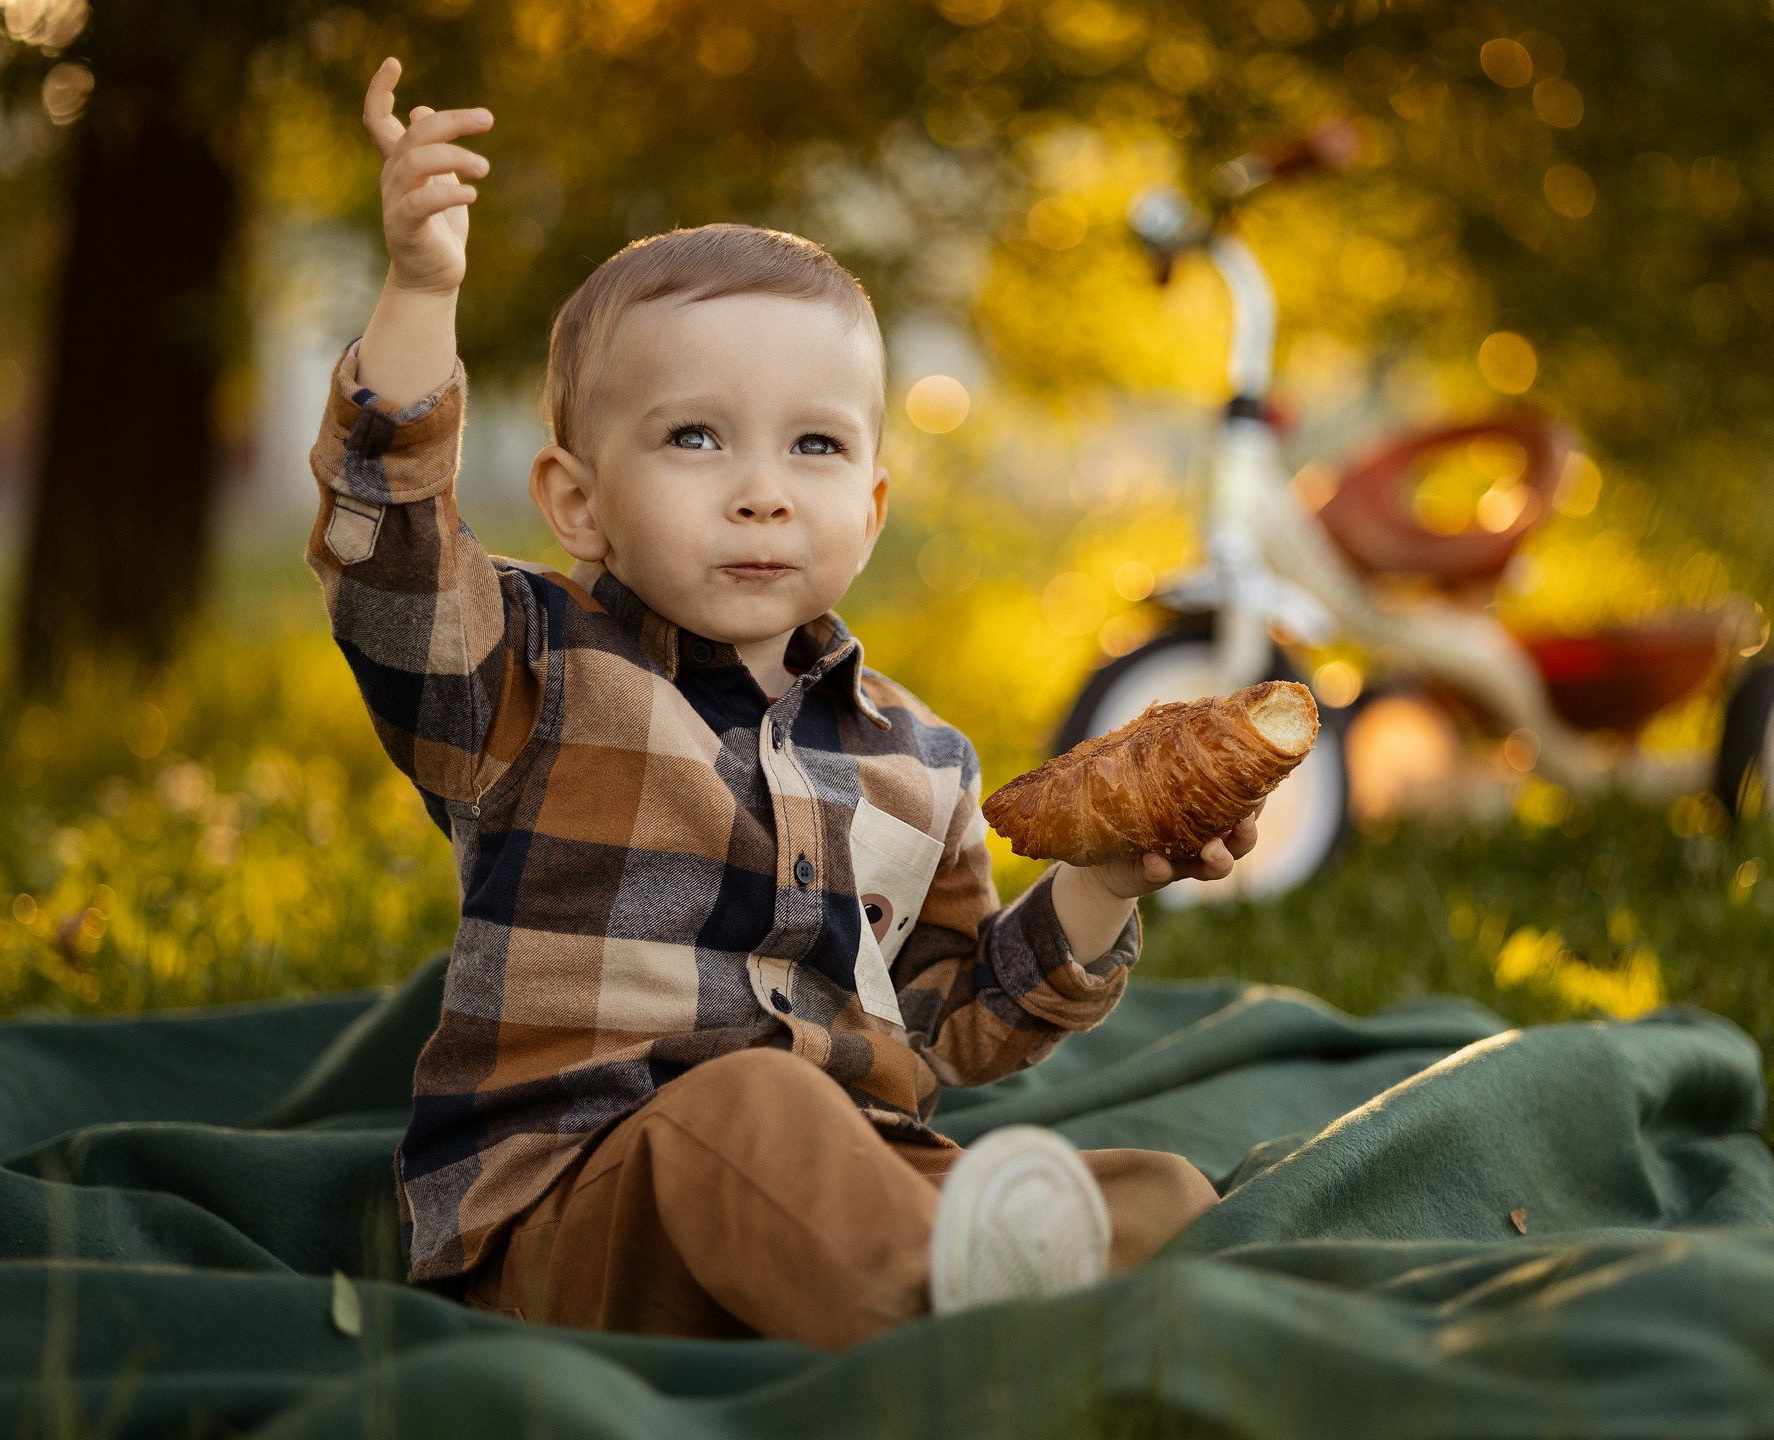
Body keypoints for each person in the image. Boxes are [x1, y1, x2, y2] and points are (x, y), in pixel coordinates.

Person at [306, 59, 1248, 1351]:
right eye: (697, 438)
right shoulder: (529, 677)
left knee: (1165, 1195)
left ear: (868, 507)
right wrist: (421, 293)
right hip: (582, 1217)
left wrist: (1109, 881)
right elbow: (391, 558)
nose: (762, 492)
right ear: (578, 503)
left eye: (813, 446)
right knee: (750, 1110)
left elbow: (953, 1021)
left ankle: (983, 1282)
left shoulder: (922, 760)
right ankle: (962, 1332)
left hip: (842, 1188)